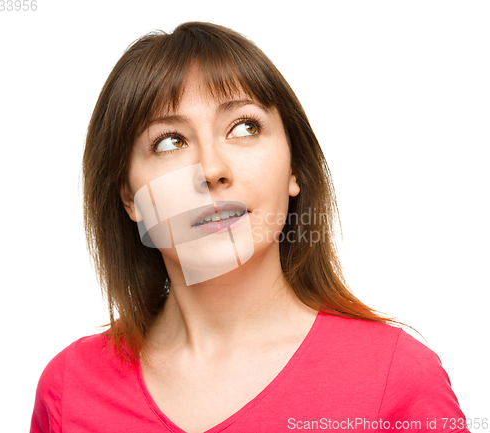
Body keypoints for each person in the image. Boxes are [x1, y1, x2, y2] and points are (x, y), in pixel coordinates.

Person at [30, 22, 470, 433]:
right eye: (170, 142)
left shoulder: (399, 379)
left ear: (295, 169)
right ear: (130, 199)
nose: (212, 168)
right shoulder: (69, 389)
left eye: (244, 127)